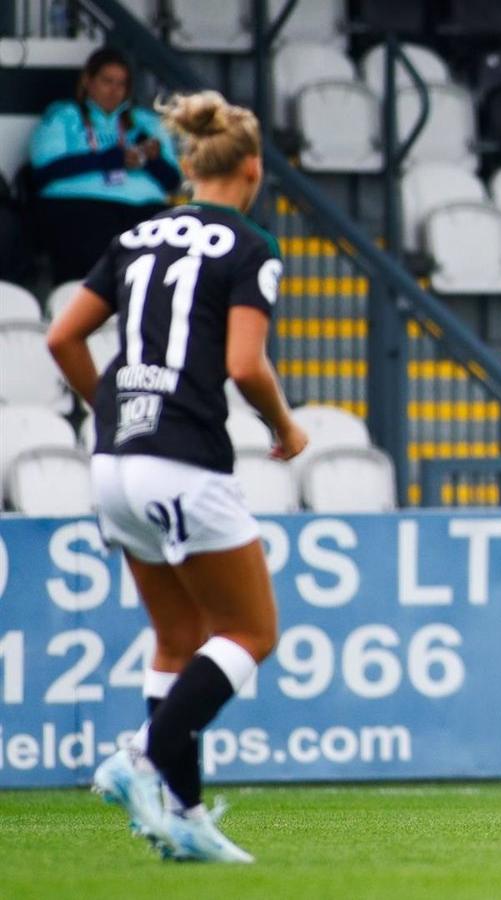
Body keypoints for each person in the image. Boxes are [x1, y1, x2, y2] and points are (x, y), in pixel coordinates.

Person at [46, 90, 305, 863]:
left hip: (114, 459)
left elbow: (61, 337)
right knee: (251, 632)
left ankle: (183, 819)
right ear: (252, 168)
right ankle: (142, 755)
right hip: (184, 459)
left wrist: (112, 407)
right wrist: (285, 427)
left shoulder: (135, 235)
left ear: (190, 166)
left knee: (178, 639)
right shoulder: (251, 246)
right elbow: (244, 366)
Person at [28, 46, 181, 280]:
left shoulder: (144, 122)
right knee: (95, 242)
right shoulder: (64, 115)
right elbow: (45, 170)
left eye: (121, 84)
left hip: (143, 209)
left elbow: (172, 180)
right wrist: (110, 159)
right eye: (107, 81)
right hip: (80, 205)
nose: (114, 91)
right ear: (88, 81)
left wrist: (152, 160)